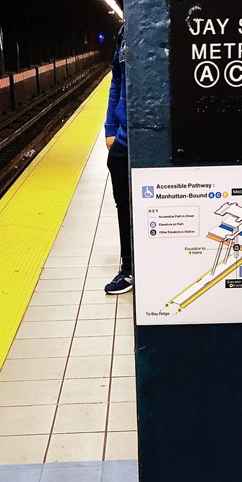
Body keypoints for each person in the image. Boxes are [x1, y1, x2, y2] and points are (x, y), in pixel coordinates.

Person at [103, 25, 133, 295]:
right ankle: (129, 267)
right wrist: (110, 127)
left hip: (157, 138)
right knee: (124, 205)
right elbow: (117, 80)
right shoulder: (125, 31)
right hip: (125, 137)